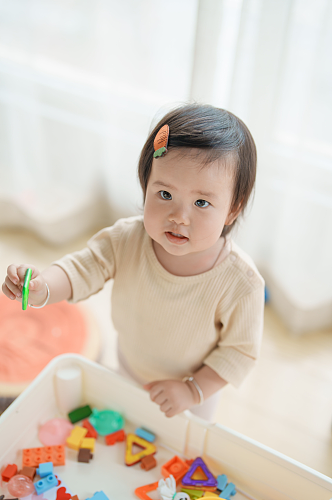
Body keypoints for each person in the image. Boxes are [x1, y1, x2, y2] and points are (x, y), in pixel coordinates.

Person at [2, 104, 265, 421]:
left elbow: (240, 351)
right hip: (128, 363)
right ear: (145, 187)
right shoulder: (127, 239)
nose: (179, 217)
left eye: (201, 202)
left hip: (193, 391)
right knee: (127, 429)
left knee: (182, 449)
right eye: (165, 194)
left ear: (232, 210)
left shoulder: (241, 283)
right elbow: (84, 268)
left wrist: (193, 390)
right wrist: (42, 287)